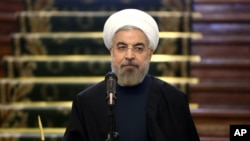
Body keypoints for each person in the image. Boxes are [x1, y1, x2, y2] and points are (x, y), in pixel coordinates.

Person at [62, 9, 200, 141]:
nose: (129, 56)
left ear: (150, 54)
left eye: (138, 48)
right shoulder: (86, 103)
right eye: (122, 47)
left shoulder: (173, 100)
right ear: (112, 52)